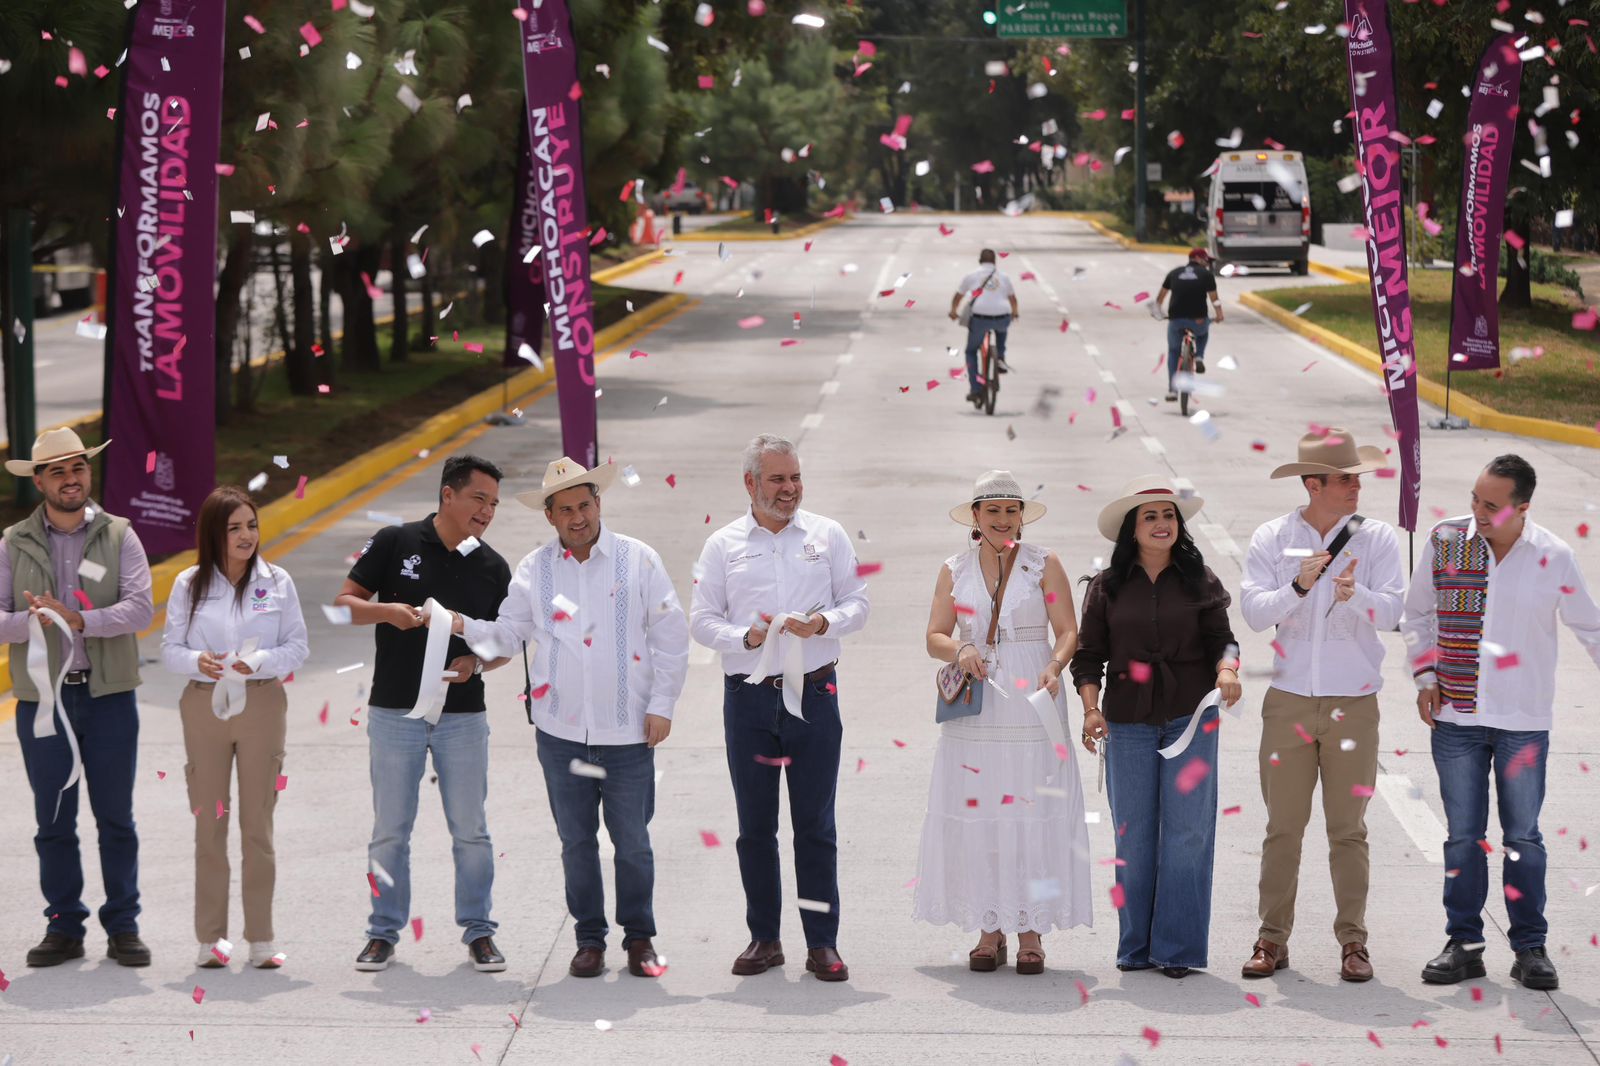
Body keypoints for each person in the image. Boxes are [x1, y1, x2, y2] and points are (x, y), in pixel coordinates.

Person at [441, 457, 689, 980]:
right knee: (576, 842)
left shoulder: (638, 559)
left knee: (633, 843)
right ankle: (589, 939)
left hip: (627, 734)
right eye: (566, 510)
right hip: (560, 735)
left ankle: (639, 937)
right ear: (550, 517)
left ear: (599, 504)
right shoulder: (535, 569)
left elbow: (670, 637)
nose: (578, 518)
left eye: (585, 505)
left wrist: (661, 706)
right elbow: (510, 633)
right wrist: (460, 625)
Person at [1401, 455, 1600, 992]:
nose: (1479, 512)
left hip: (1523, 721)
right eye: (1475, 499)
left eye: (1492, 505)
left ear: (1523, 507)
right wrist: (1424, 676)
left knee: (1523, 839)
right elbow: (1416, 613)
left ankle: (1530, 948)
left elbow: (1591, 626)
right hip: (1457, 717)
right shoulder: (1446, 542)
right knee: (1463, 838)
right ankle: (1463, 944)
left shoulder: (1553, 556)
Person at [690, 434, 871, 982]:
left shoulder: (827, 535)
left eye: (794, 478)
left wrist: (823, 625)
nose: (789, 489)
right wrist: (745, 638)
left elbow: (858, 604)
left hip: (815, 694)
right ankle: (764, 939)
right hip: (748, 698)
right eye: (777, 479)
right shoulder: (723, 545)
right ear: (750, 484)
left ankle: (822, 943)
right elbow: (701, 620)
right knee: (755, 828)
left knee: (815, 825)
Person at [1238, 428, 1406, 983]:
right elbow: (1256, 613)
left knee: (1347, 830)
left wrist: (1353, 596)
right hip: (1287, 702)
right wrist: (1299, 586)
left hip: (1353, 703)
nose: (1357, 487)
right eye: (1344, 479)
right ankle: (1271, 938)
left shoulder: (1378, 539)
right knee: (1282, 828)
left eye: (1358, 477)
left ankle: (1353, 943)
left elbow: (1394, 612)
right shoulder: (1273, 534)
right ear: (1312, 484)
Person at [335, 455, 513, 973]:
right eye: (479, 498)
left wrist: (475, 663)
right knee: (390, 828)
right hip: (395, 713)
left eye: (494, 504)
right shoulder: (395, 542)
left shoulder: (493, 566)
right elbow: (345, 602)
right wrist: (386, 612)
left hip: (462, 717)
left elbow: (504, 642)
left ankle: (479, 931)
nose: (487, 511)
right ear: (448, 495)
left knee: (471, 830)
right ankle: (382, 932)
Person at [914, 471, 1091, 975]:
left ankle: (1030, 930)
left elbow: (1067, 630)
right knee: (983, 810)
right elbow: (934, 637)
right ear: (974, 516)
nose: (1002, 519)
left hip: (1034, 697)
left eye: (1011, 510)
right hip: (980, 705)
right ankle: (989, 927)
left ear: (1021, 515)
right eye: (992, 510)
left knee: (1032, 811)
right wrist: (962, 646)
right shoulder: (954, 569)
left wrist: (1055, 665)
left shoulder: (1044, 564)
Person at [1069, 475, 1240, 978]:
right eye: (1150, 516)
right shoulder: (1107, 587)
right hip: (1127, 722)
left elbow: (1223, 641)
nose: (1162, 524)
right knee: (1134, 834)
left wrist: (1227, 670)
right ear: (1132, 529)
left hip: (1191, 719)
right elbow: (1088, 656)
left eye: (1168, 515)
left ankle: (1178, 949)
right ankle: (1136, 946)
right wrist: (1090, 709)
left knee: (1188, 833)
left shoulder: (1200, 579)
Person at [2, 428, 155, 967]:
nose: (71, 479)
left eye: (79, 468)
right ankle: (63, 925)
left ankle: (123, 926)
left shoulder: (120, 536)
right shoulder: (13, 541)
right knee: (54, 820)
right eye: (59, 471)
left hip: (109, 697)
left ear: (89, 474)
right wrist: (35, 620)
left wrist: (80, 620)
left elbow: (140, 610)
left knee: (116, 817)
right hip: (43, 703)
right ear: (39, 481)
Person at [162, 486, 309, 970]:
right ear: (214, 534)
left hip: (262, 703)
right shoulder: (189, 584)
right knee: (210, 824)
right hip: (204, 706)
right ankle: (212, 939)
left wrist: (262, 659)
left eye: (251, 525)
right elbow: (169, 651)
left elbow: (297, 647)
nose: (247, 535)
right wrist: (198, 662)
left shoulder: (278, 581)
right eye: (234, 528)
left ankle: (261, 938)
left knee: (257, 826)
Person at [948, 248, 1019, 407]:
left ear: (980, 260)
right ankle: (1000, 357)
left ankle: (975, 388)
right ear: (994, 262)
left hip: (980, 319)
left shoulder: (971, 275)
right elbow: (1013, 299)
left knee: (971, 351)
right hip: (1002, 317)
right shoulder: (1004, 277)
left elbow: (958, 296)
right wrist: (1014, 313)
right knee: (1002, 329)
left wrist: (953, 311)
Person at [1154, 249, 1223, 402]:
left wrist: (1159, 313)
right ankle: (1199, 357)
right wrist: (1219, 314)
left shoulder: (1174, 273)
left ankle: (1172, 390)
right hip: (1198, 320)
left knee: (1173, 352)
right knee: (1203, 332)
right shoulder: (1206, 275)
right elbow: (1214, 299)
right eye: (1205, 259)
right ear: (1197, 258)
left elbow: (1160, 298)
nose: (1207, 263)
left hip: (1176, 320)